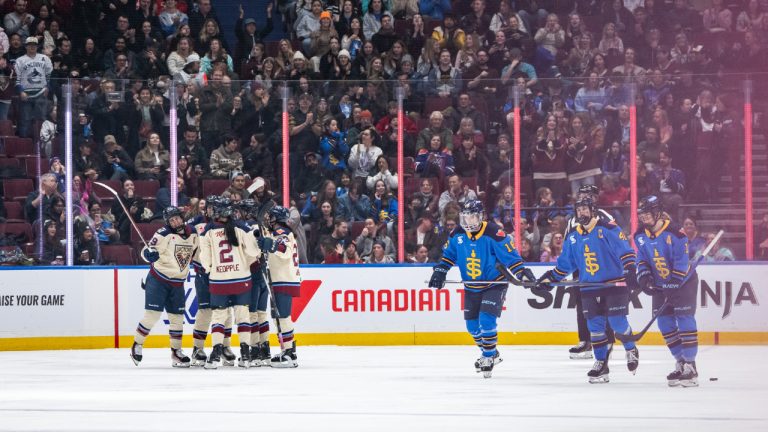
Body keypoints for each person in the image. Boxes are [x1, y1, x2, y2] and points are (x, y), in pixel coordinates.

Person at [536, 197, 640, 384]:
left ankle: (630, 348)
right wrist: (549, 280)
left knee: (617, 323)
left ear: (593, 211)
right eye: (579, 210)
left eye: (585, 209)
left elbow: (626, 251)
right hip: (589, 287)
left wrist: (631, 269)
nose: (582, 213)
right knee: (596, 329)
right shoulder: (573, 236)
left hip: (613, 284)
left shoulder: (607, 228)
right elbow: (565, 265)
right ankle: (601, 364)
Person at [429, 200, 535, 378]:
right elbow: (449, 255)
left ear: (480, 216)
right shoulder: (457, 233)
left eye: (472, 217)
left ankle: (487, 356)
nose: (468, 222)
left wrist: (522, 272)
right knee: (472, 327)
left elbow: (510, 258)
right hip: (471, 286)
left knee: (486, 320)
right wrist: (440, 271)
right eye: (465, 217)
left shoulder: (495, 233)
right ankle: (492, 353)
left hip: (494, 283)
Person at [634, 195, 699, 387]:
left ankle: (691, 367)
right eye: (642, 215)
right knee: (664, 323)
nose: (644, 218)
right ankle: (680, 362)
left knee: (685, 319)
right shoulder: (639, 235)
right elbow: (642, 258)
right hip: (661, 285)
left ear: (657, 212)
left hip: (684, 283)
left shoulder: (676, 232)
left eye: (647, 214)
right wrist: (644, 276)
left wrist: (674, 282)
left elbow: (681, 261)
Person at [198, 198, 266, 369]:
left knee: (219, 317)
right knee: (243, 315)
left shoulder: (208, 230)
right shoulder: (241, 227)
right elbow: (253, 251)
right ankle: (245, 354)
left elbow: (204, 258)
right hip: (241, 279)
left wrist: (210, 270)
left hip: (219, 280)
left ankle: (215, 354)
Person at [130, 207, 199, 368]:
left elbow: (196, 253)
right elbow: (148, 250)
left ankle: (176, 352)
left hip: (178, 283)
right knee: (152, 315)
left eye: (177, 218)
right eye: (171, 220)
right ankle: (137, 344)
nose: (175, 222)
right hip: (158, 280)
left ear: (182, 218)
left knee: (177, 318)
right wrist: (148, 255)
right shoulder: (163, 233)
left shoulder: (194, 233)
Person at [261, 205, 302, 368]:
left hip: (283, 279)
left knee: (283, 316)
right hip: (283, 278)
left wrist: (268, 244)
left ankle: (290, 352)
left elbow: (283, 250)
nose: (268, 220)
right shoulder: (281, 232)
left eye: (271, 217)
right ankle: (286, 349)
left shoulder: (282, 232)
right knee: (280, 316)